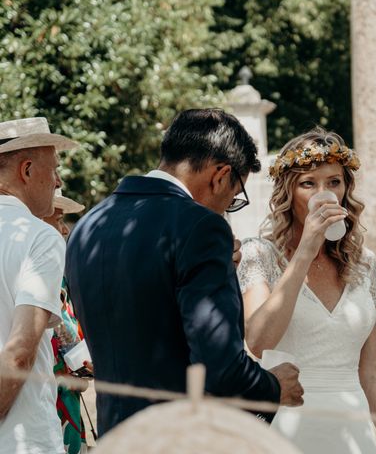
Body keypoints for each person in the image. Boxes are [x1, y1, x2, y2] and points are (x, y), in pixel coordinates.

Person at [65, 108, 303, 436]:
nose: (226, 208)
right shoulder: (202, 227)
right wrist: (273, 387)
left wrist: (220, 270)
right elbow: (220, 369)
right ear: (221, 175)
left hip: (115, 436)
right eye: (233, 197)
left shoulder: (88, 225)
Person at [238, 127, 376, 454]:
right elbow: (258, 342)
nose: (324, 192)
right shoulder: (259, 254)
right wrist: (304, 251)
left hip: (352, 433)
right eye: (308, 183)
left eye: (333, 182)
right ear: (288, 192)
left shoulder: (363, 264)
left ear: (345, 189)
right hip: (286, 429)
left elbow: (372, 371)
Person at [0, 117, 77, 454]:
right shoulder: (39, 235)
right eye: (54, 170)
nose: (58, 182)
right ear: (27, 170)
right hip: (22, 438)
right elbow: (19, 353)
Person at [43, 190, 91, 454]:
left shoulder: (60, 275)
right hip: (50, 400)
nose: (63, 230)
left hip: (66, 398)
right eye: (58, 219)